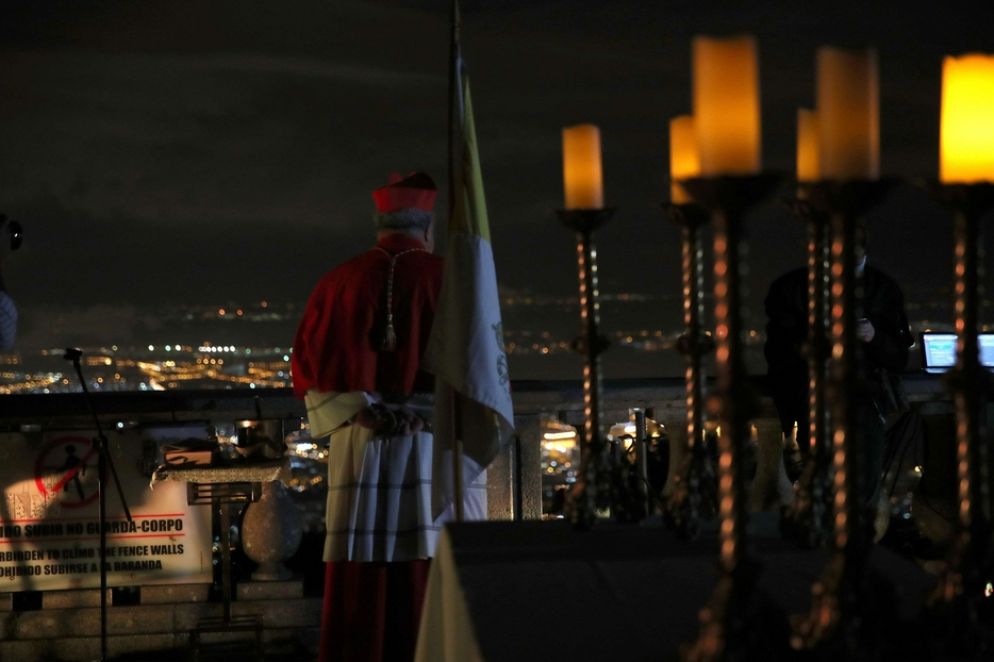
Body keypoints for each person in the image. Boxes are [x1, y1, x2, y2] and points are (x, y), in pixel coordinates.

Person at [292, 171, 485, 662]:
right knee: (431, 569)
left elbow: (308, 369)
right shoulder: (454, 280)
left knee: (365, 581)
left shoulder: (337, 281)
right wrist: (422, 414)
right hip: (433, 445)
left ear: (379, 224)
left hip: (361, 446)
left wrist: (364, 412)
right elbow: (478, 368)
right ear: (428, 225)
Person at [764, 220, 914, 511]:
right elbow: (779, 350)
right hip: (817, 394)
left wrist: (873, 337)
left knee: (855, 475)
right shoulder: (792, 288)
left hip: (861, 397)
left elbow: (898, 355)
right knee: (832, 477)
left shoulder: (884, 289)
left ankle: (842, 535)